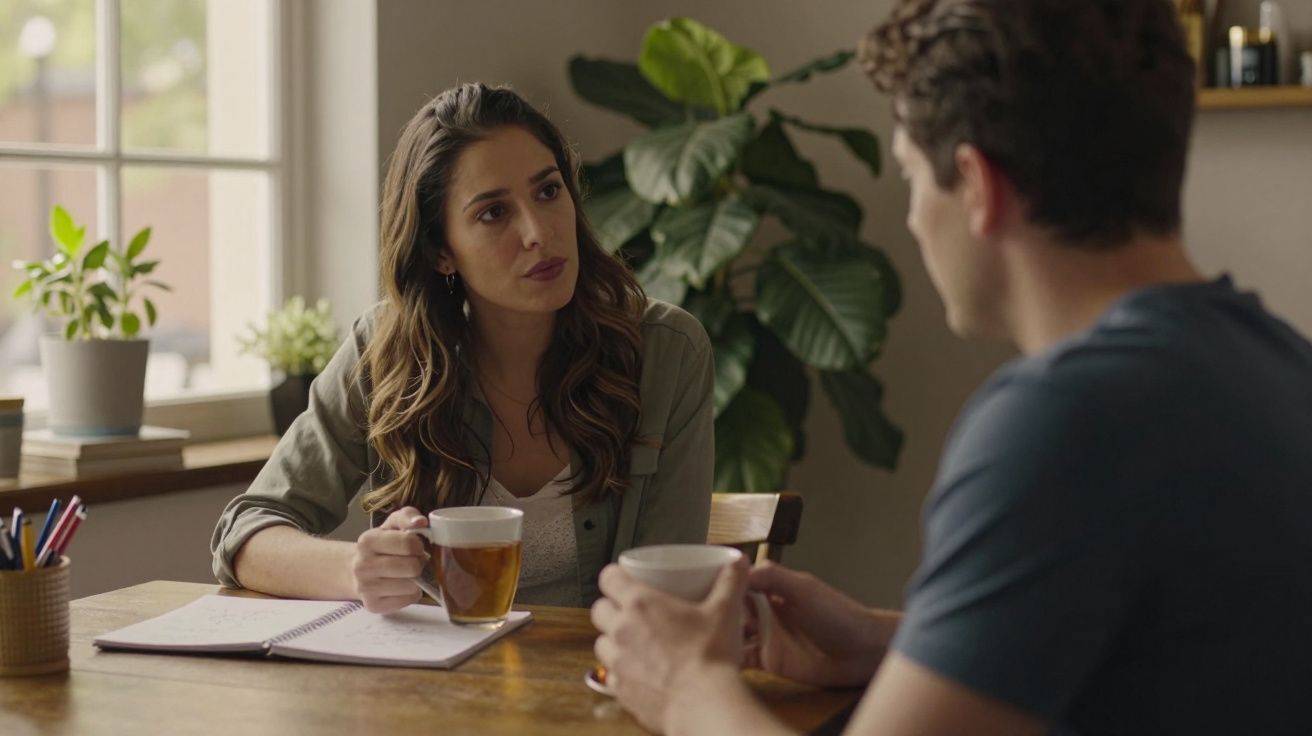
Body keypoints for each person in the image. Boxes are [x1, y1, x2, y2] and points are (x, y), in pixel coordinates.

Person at [590, 1, 1312, 734]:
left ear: (975, 185)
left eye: (911, 175)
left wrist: (685, 689)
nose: (912, 216)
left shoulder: (1067, 420)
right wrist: (899, 644)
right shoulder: (1279, 363)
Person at [212, 83, 715, 613]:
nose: (538, 232)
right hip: (431, 665)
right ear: (440, 251)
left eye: (548, 191)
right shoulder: (384, 351)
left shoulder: (666, 352)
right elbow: (244, 532)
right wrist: (356, 569)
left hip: (603, 660)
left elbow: (667, 593)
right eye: (494, 213)